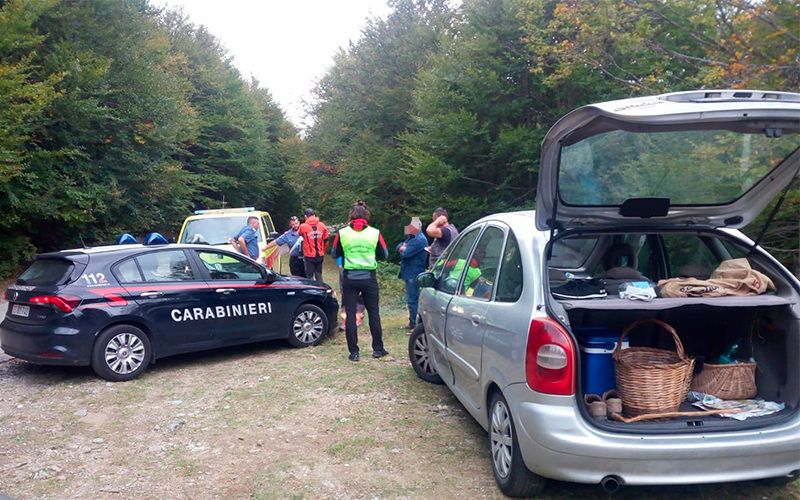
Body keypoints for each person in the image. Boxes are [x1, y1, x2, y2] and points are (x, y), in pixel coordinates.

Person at [331, 201, 389, 362]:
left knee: (350, 315)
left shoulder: (342, 233)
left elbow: (335, 253)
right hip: (369, 277)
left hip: (350, 277)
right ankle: (378, 349)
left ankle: (354, 352)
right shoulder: (375, 233)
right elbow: (385, 254)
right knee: (374, 314)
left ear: (351, 215)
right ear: (366, 215)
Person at [396, 218, 428, 331]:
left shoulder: (419, 240)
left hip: (414, 273)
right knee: (411, 298)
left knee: (413, 299)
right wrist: (402, 247)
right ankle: (412, 322)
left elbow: (406, 254)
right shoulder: (412, 237)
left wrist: (403, 248)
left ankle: (415, 324)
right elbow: (399, 246)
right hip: (409, 272)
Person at [298, 208, 329, 282]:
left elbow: (300, 234)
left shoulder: (303, 226)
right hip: (320, 255)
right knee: (319, 275)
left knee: (309, 276)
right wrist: (322, 250)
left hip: (309, 256)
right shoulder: (322, 225)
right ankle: (321, 289)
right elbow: (326, 240)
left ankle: (311, 291)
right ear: (314, 215)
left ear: (306, 216)